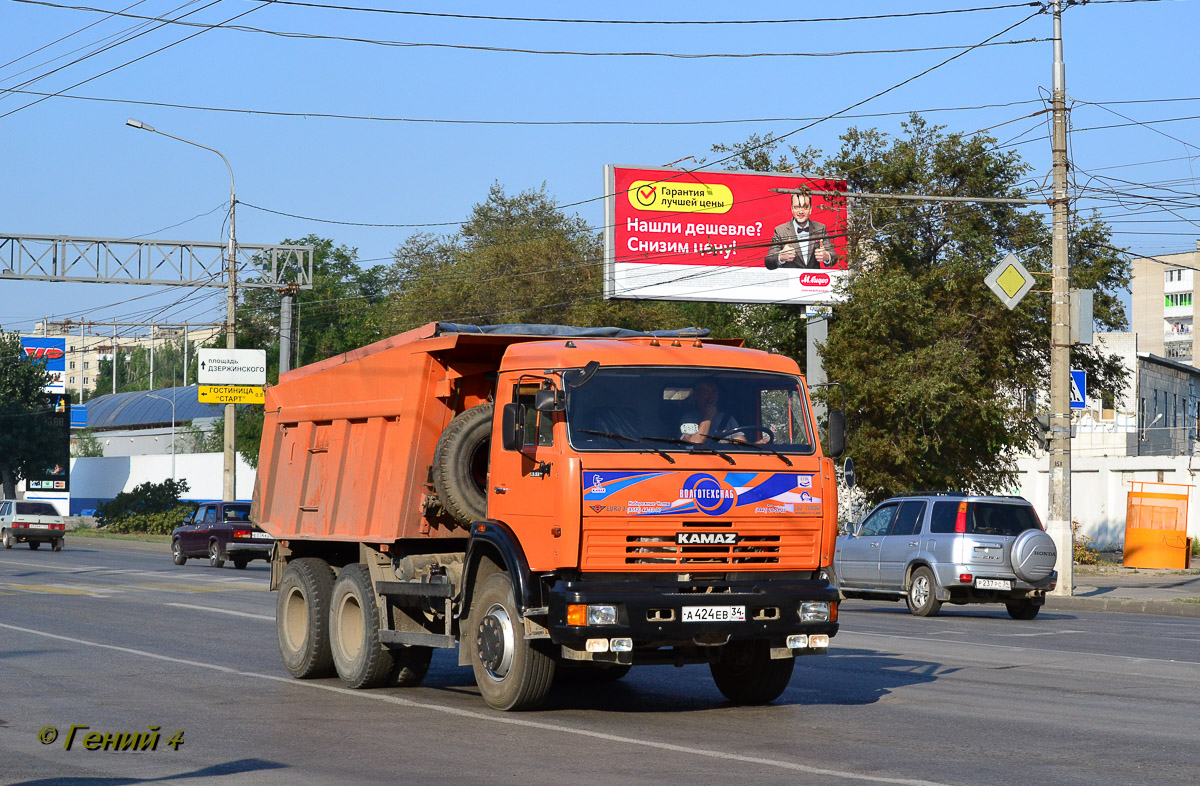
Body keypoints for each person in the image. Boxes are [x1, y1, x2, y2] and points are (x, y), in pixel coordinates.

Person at [764, 189, 839, 270]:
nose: (801, 211)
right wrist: (781, 257)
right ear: (792, 209)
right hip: (790, 280)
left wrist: (827, 256)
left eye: (805, 207)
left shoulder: (820, 228)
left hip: (813, 280)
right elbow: (768, 262)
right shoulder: (780, 230)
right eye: (796, 207)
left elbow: (834, 258)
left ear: (810, 209)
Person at [679, 380, 742, 444]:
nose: (711, 396)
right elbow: (695, 443)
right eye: (706, 392)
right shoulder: (689, 418)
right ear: (696, 395)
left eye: (714, 392)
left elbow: (741, 445)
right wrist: (708, 417)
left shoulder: (727, 418)